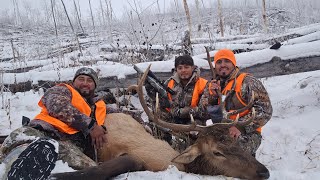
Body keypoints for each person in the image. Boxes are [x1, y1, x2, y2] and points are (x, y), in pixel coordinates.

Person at [3, 67, 108, 179]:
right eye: (81, 79)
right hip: (40, 133)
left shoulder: (96, 106)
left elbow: (120, 113)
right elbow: (57, 106)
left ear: (95, 86)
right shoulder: (63, 90)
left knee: (92, 171)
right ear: (74, 82)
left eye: (89, 80)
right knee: (23, 153)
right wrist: (91, 125)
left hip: (66, 148)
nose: (85, 83)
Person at [202, 49, 273, 156]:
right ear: (215, 66)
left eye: (227, 61)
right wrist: (212, 96)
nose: (223, 65)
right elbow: (203, 112)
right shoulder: (213, 85)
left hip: (247, 133)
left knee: (231, 154)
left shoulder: (247, 82)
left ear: (233, 63)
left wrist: (241, 127)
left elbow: (266, 111)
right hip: (222, 130)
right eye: (219, 62)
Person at [145, 55, 209, 149]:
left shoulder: (203, 84)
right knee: (158, 120)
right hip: (172, 119)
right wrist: (149, 87)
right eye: (180, 68)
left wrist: (184, 111)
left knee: (193, 141)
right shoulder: (170, 82)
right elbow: (157, 98)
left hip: (193, 121)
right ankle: (164, 146)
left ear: (193, 67)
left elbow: (204, 112)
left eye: (187, 67)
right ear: (176, 69)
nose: (183, 70)